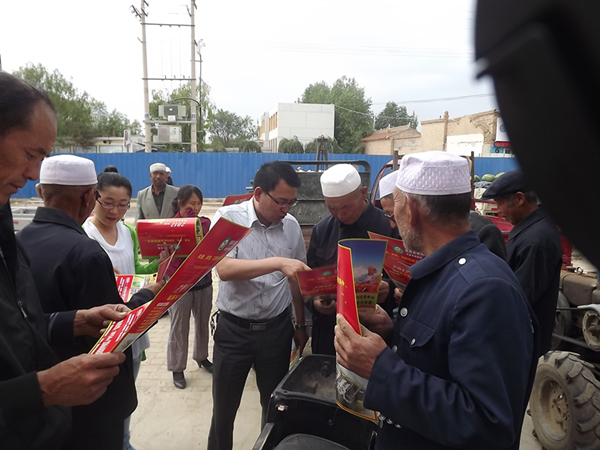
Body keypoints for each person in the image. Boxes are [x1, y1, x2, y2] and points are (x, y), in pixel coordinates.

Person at [335, 151, 538, 450]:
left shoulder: (485, 288)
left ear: (411, 209)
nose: (393, 222)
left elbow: (489, 423)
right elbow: (438, 360)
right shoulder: (441, 272)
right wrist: (392, 332)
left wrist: (380, 369)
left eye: (395, 208)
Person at [0, 72, 134, 449]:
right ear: (89, 198)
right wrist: (42, 389)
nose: (31, 173)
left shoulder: (14, 236)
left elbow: (16, 330)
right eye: (30, 154)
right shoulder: (86, 251)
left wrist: (73, 321)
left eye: (41, 159)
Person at [17, 155, 163, 450]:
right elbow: (112, 330)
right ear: (89, 198)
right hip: (90, 396)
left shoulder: (17, 243)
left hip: (38, 386)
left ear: (40, 191)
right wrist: (151, 295)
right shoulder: (87, 252)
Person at [208, 161, 310, 450]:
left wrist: (300, 324)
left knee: (274, 406)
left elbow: (296, 280)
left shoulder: (290, 227)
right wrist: (277, 262)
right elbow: (224, 269)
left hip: (276, 331)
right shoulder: (229, 218)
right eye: (281, 201)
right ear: (258, 193)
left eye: (291, 202)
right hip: (234, 332)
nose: (286, 209)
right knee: (224, 410)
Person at [82, 171, 170, 450]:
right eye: (108, 202)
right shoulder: (85, 234)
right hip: (101, 327)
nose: (114, 211)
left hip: (131, 321)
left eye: (122, 204)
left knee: (125, 394)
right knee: (103, 399)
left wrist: (159, 265)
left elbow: (136, 271)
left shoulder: (127, 231)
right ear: (94, 197)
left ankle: (124, 441)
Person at [307, 164, 394, 355]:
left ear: (363, 193)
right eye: (332, 208)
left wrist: (388, 287)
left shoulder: (389, 227)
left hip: (375, 333)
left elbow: (407, 281)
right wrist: (316, 301)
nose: (340, 214)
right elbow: (310, 280)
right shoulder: (322, 230)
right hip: (330, 333)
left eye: (345, 207)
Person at [482, 169, 562, 355]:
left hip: (521, 343)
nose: (499, 210)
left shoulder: (535, 240)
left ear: (519, 199)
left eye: (500, 203)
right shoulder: (531, 230)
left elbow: (518, 297)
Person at [166, 185, 214, 389]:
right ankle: (177, 368)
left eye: (199, 203)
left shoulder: (205, 223)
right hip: (179, 284)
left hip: (203, 281)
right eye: (191, 203)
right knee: (179, 327)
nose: (195, 208)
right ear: (180, 203)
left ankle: (201, 357)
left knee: (202, 323)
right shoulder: (169, 226)